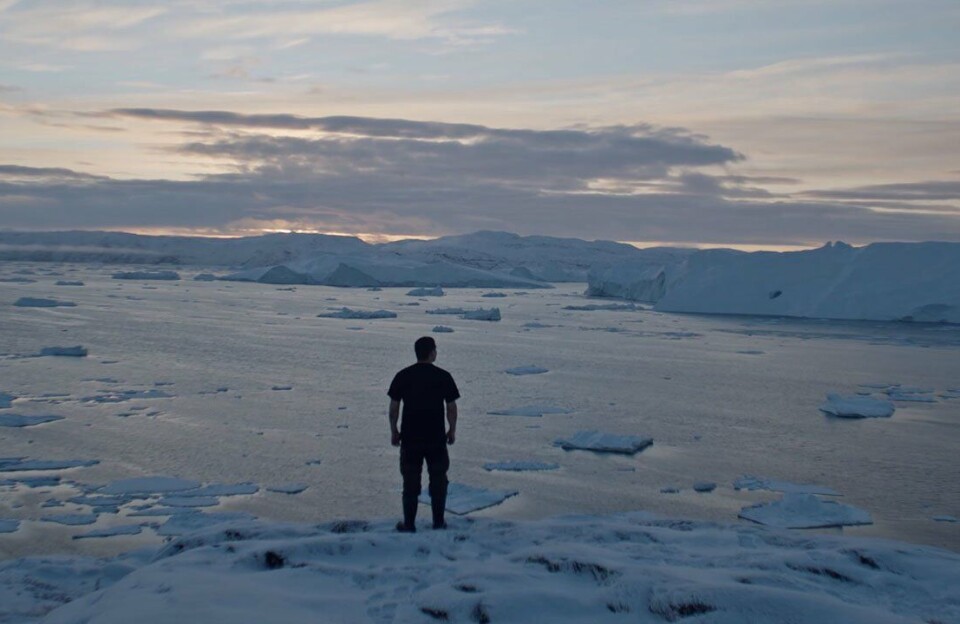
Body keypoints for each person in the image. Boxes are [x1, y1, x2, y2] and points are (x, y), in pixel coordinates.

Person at [388, 336, 460, 532]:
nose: (436, 352)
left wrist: (394, 430)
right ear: (431, 352)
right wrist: (451, 430)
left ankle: (409, 524)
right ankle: (438, 522)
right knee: (438, 480)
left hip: (410, 438)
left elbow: (394, 407)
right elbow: (451, 407)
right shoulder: (443, 376)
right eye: (435, 349)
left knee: (410, 481)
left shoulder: (403, 376)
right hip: (436, 438)